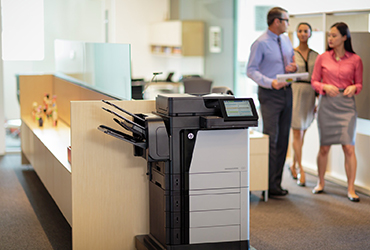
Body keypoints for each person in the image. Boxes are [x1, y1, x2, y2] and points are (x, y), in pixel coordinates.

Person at [247, 7, 297, 197]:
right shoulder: (260, 43)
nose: (288, 23)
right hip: (270, 95)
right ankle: (266, 184)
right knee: (272, 138)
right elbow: (251, 70)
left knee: (284, 138)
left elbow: (289, 62)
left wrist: (294, 67)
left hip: (287, 92)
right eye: (286, 20)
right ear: (276, 21)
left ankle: (276, 183)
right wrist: (270, 82)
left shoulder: (285, 39)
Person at [311, 22, 363, 202]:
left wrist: (354, 88)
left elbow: (360, 84)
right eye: (329, 36)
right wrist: (324, 86)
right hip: (327, 104)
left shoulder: (355, 59)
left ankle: (351, 188)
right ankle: (320, 182)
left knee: (349, 146)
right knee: (324, 146)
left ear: (344, 37)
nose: (330, 39)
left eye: (334, 35)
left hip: (347, 106)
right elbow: (314, 81)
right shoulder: (322, 58)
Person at [289, 22, 319, 187]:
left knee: (302, 133)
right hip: (295, 92)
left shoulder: (316, 55)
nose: (302, 34)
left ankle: (293, 165)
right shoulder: (291, 53)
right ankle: (301, 169)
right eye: (299, 31)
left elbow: (319, 78)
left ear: (310, 33)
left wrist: (317, 100)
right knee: (297, 133)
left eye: (305, 31)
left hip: (310, 93)